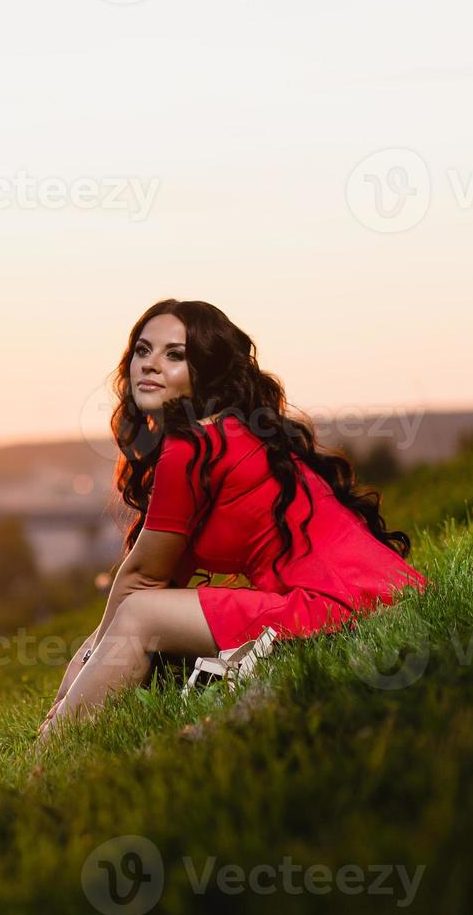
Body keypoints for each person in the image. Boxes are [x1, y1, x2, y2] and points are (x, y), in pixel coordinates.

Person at [39, 299, 426, 739]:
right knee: (143, 618)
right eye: (143, 351)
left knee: (139, 616)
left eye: (174, 355)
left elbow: (138, 586)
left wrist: (65, 698)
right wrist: (87, 667)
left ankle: (51, 751)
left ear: (206, 368)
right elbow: (155, 579)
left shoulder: (193, 446)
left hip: (338, 609)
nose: (150, 366)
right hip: (375, 596)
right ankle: (77, 727)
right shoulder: (232, 430)